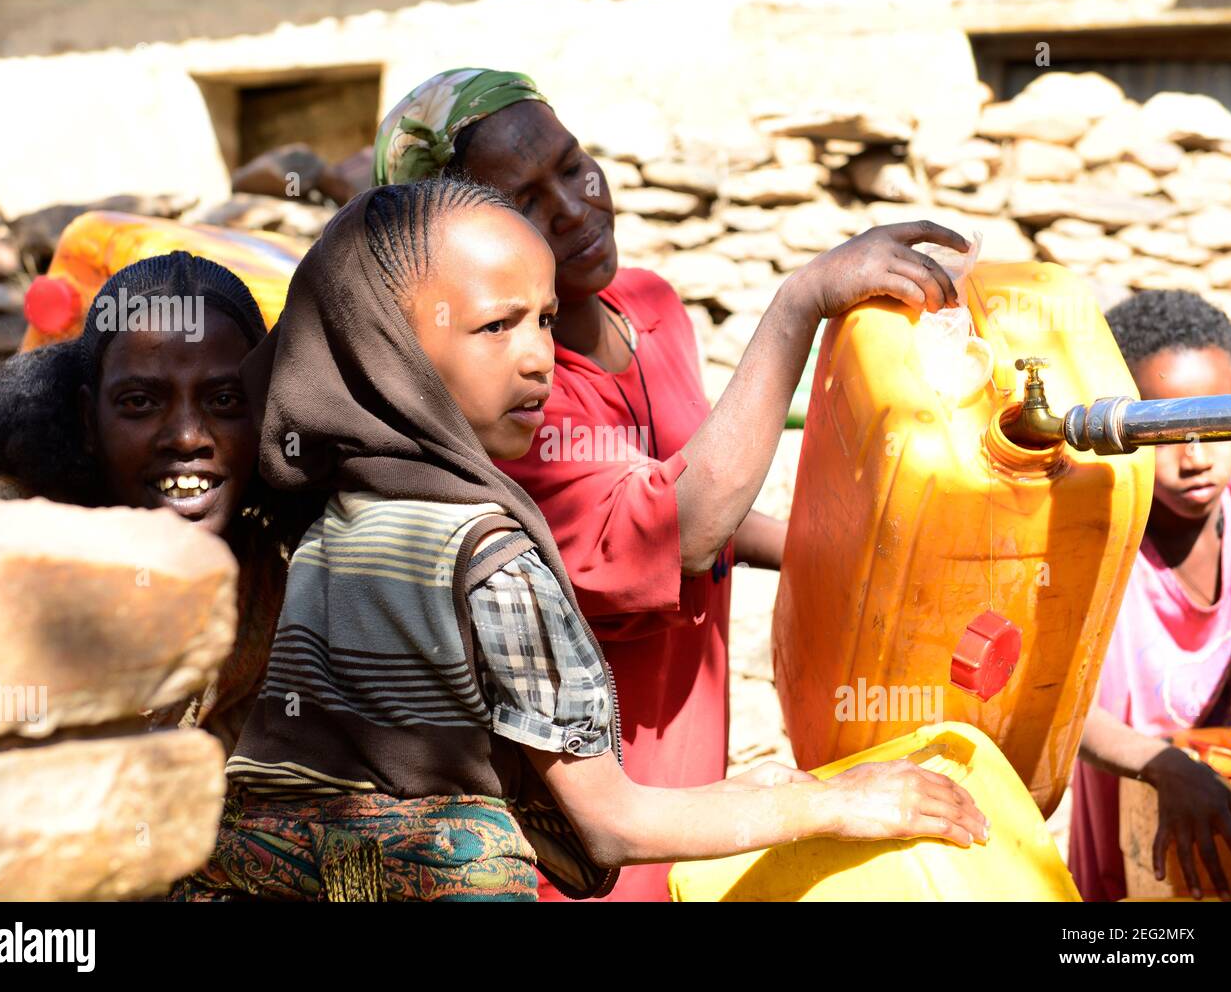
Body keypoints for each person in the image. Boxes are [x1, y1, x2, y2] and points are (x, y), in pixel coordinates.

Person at [172, 179, 988, 902]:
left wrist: (748, 789)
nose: (538, 359)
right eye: (496, 327)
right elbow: (613, 826)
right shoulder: (491, 561)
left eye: (547, 320)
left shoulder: (328, 517)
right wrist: (834, 804)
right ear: (388, 347)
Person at [373, 68, 972, 898]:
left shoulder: (648, 305)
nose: (577, 207)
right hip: (588, 842)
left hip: (691, 803)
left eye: (573, 167)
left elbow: (696, 492)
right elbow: (683, 528)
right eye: (527, 201)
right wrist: (799, 304)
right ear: (461, 248)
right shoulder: (496, 407)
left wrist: (854, 549)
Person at [0, 252, 315, 753]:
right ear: (87, 418)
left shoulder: (264, 582)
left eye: (225, 400)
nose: (187, 437)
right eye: (140, 402)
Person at [1071, 289, 1231, 901]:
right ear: (1121, 430)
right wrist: (1163, 766)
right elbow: (1058, 703)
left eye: (1218, 425)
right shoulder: (1090, 541)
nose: (1195, 457)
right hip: (1132, 851)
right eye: (1165, 429)